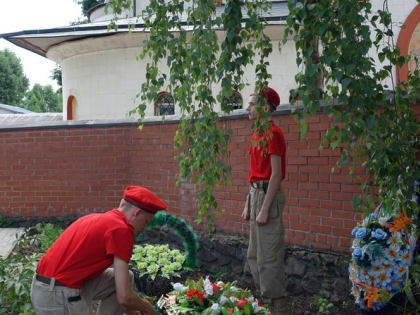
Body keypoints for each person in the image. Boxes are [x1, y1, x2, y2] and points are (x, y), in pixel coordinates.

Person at [31, 185, 166, 315]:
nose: (144, 227)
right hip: (57, 296)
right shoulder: (122, 230)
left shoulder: (99, 219)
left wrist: (130, 309)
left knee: (125, 278)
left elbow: (122, 289)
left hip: (49, 287)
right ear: (136, 213)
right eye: (146, 221)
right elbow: (124, 297)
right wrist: (147, 307)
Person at [241, 87, 288, 315]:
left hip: (268, 196)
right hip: (256, 195)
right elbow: (255, 173)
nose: (247, 108)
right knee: (254, 256)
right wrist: (248, 204)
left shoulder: (273, 133)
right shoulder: (256, 133)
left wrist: (264, 209)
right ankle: (266, 305)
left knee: (269, 257)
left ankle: (278, 307)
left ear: (266, 107)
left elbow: (276, 175)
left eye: (252, 104)